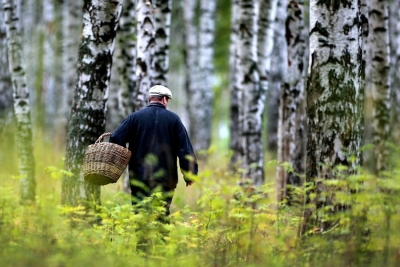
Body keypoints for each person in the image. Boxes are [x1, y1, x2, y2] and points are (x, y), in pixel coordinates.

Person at [109, 85, 198, 217]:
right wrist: (190, 174)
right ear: (164, 100)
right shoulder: (174, 119)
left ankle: (141, 237)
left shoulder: (134, 118)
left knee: (140, 214)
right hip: (166, 178)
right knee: (161, 215)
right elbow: (184, 149)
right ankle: (160, 237)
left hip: (139, 176)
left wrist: (120, 160)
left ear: (150, 99)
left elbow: (115, 137)